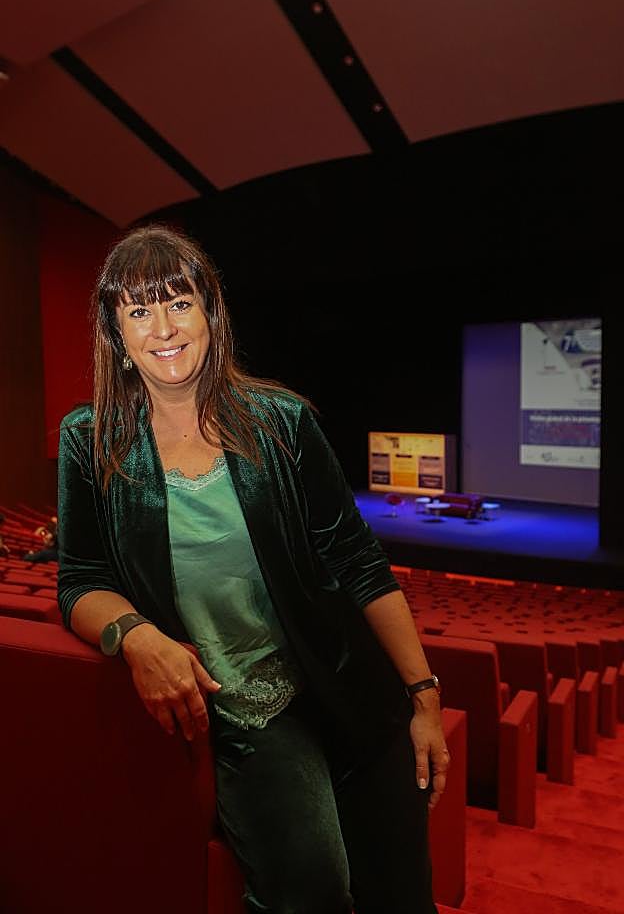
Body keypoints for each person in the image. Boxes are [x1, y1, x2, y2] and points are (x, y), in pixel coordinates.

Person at [57, 224, 449, 914]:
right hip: (248, 713)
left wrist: (423, 695)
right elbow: (80, 578)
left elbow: (359, 561)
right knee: (313, 892)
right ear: (116, 334)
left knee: (401, 896)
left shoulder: (283, 420)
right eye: (139, 310)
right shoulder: (89, 440)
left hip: (351, 688)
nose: (163, 328)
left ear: (211, 313)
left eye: (180, 302)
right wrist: (137, 635)